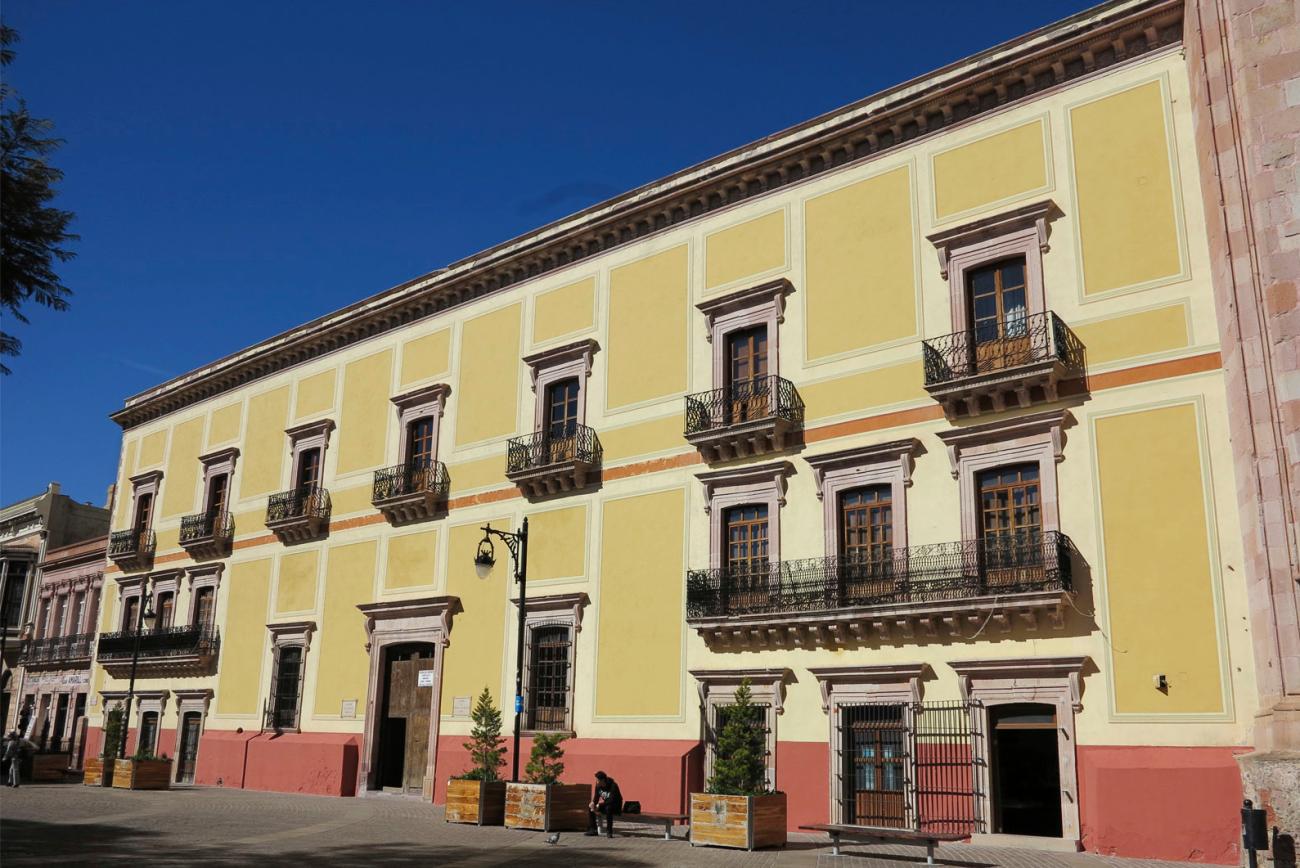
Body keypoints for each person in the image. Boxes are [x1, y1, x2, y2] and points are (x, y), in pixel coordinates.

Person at [585, 770, 622, 838]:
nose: (596, 782)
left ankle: (609, 831)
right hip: (606, 805)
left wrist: (599, 805)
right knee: (591, 808)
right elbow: (596, 797)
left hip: (615, 806)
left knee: (609, 808)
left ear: (602, 780)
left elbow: (612, 800)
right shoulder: (598, 786)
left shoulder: (613, 786)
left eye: (598, 780)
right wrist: (593, 803)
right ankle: (593, 830)